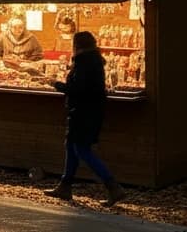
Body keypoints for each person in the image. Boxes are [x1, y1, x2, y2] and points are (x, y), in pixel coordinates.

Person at [44, 31, 126, 205]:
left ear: (77, 46)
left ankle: (113, 186)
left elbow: (77, 90)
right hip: (90, 111)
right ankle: (65, 185)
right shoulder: (94, 61)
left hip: (83, 113)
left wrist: (55, 84)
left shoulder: (84, 64)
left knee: (81, 149)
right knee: (71, 146)